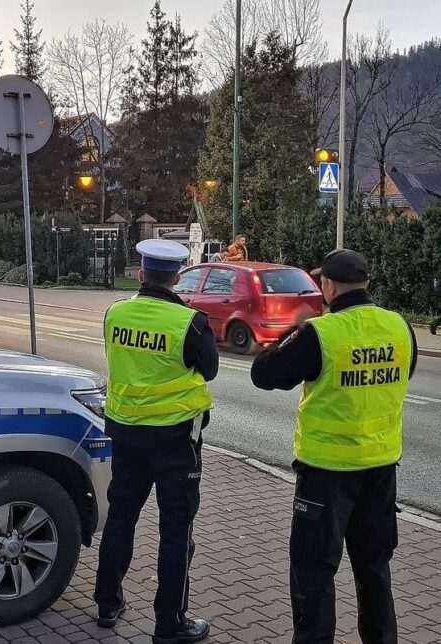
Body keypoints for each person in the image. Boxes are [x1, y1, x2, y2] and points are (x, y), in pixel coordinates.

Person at [250, 249, 417, 644]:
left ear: (327, 286)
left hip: (326, 475)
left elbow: (264, 374)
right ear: (367, 284)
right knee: (374, 568)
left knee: (314, 573)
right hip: (380, 471)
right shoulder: (400, 327)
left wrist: (285, 335)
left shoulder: (320, 333)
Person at [95, 239, 218, 644]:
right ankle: (170, 623)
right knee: (175, 531)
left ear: (142, 274)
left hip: (125, 435)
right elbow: (210, 370)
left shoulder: (116, 313)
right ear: (177, 277)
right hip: (175, 442)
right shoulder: (190, 323)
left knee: (121, 518)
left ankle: (108, 603)